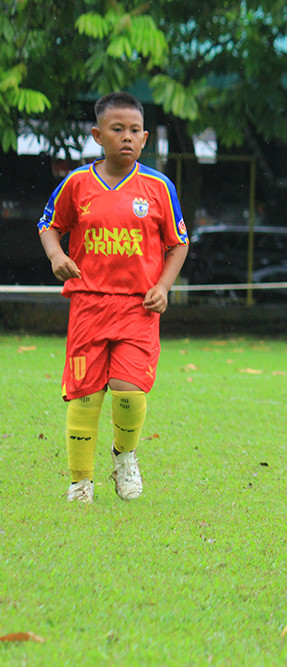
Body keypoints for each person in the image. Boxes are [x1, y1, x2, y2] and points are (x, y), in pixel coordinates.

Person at [37, 91, 189, 503]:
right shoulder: (78, 183)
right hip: (88, 304)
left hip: (139, 307)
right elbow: (49, 223)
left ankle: (124, 457)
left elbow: (179, 244)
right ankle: (80, 483)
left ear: (144, 139)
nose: (127, 137)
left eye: (135, 130)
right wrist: (56, 255)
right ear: (97, 135)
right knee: (84, 393)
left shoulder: (159, 187)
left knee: (127, 390)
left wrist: (162, 287)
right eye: (117, 129)